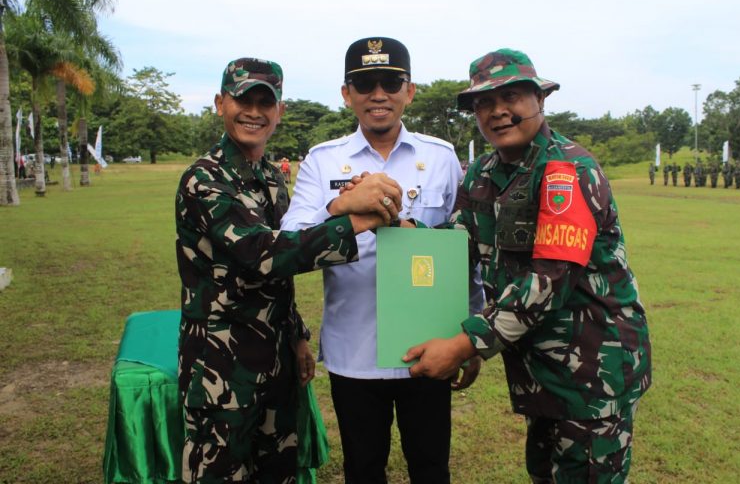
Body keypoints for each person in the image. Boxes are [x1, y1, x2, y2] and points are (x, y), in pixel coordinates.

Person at [404, 48, 652, 483]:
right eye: (484, 102)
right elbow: (455, 244)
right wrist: (397, 227)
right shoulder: (483, 172)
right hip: (540, 370)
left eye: (512, 97)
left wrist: (465, 344)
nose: (498, 111)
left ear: (540, 99)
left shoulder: (566, 169)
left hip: (592, 372)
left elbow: (549, 281)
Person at [174, 57, 403, 483]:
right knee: (219, 474)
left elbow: (279, 277)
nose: (254, 112)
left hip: (276, 359)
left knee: (278, 471)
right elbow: (262, 254)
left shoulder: (270, 178)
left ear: (279, 111)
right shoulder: (204, 179)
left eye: (266, 103)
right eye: (243, 100)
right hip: (221, 366)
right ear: (220, 104)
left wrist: (296, 335)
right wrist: (353, 218)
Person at [281, 37, 484, 484]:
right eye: (365, 83)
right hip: (355, 351)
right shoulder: (323, 160)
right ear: (346, 93)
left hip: (428, 344)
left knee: (431, 467)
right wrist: (341, 208)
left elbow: (463, 251)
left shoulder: (440, 157)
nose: (378, 94)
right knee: (363, 468)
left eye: (391, 83)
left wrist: (470, 333)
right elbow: (290, 242)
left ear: (409, 91)